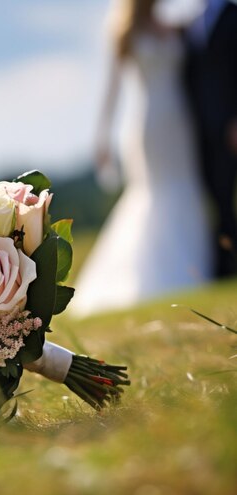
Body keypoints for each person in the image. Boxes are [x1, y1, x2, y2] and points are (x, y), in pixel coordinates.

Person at [69, 0, 212, 318]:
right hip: (147, 123)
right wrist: (102, 137)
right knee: (154, 193)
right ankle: (153, 276)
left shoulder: (177, 28)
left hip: (181, 122)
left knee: (184, 189)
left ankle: (195, 269)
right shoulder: (124, 32)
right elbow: (113, 89)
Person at [184, 0, 237, 278]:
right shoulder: (191, 25)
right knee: (216, 199)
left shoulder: (233, 15)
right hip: (200, 132)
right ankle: (224, 265)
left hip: (230, 127)